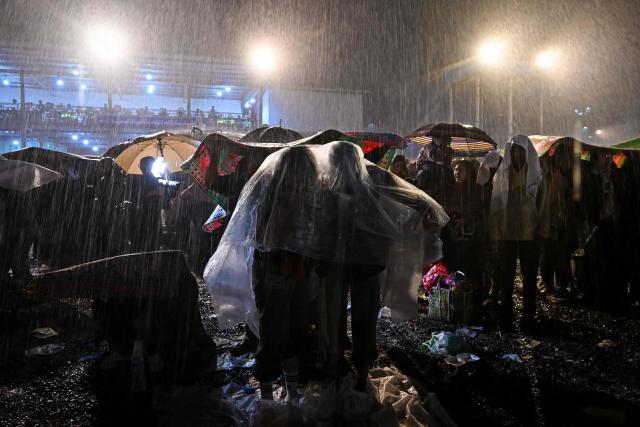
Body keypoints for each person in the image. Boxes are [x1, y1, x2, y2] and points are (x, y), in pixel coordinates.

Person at [489, 135, 547, 330]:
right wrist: (495, 235)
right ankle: (506, 314)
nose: (517, 156)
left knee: (529, 278)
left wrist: (541, 232)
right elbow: (496, 207)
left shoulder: (536, 176)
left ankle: (528, 316)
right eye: (514, 152)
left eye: (520, 152)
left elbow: (543, 206)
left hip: (529, 235)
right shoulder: (503, 175)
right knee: (507, 278)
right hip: (507, 235)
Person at [442, 160, 485, 285]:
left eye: (461, 170)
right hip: (450, 233)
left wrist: (463, 214)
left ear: (469, 172)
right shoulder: (450, 188)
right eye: (455, 169)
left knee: (467, 265)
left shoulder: (474, 188)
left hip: (468, 236)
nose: (457, 172)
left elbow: (476, 209)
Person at [415, 136, 454, 205]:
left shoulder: (446, 149)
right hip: (427, 171)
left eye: (447, 141)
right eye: (445, 141)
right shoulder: (428, 147)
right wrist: (440, 149)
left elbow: (447, 164)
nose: (446, 143)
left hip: (438, 178)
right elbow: (434, 158)